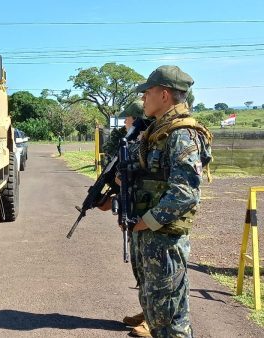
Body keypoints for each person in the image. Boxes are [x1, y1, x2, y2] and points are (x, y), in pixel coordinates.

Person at [132, 65, 212, 337]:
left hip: (164, 238)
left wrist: (147, 221)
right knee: (157, 314)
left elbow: (186, 192)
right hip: (153, 236)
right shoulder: (160, 130)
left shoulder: (181, 134)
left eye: (148, 92)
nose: (143, 98)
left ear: (164, 95)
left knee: (170, 321)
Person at [99, 100, 153, 337]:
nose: (125, 122)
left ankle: (154, 319)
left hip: (149, 215)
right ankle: (148, 311)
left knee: (154, 272)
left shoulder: (148, 140)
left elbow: (142, 178)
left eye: (127, 118)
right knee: (140, 267)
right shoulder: (131, 140)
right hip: (135, 212)